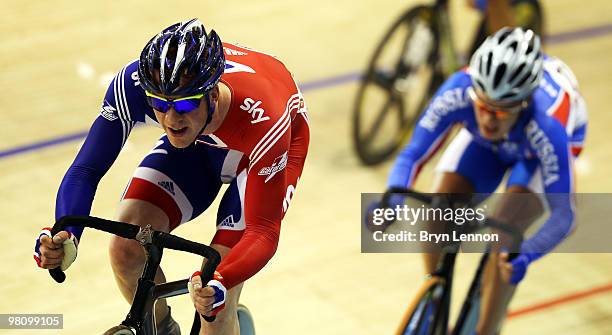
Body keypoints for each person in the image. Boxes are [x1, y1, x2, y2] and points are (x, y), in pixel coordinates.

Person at [34, 18, 310, 335]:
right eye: (159, 105)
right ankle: (162, 329)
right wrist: (66, 234)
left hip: (260, 151)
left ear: (213, 95)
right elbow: (86, 170)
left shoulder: (263, 119)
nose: (171, 117)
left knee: (214, 304)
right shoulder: (134, 85)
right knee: (125, 247)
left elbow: (263, 231)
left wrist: (221, 283)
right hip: (199, 144)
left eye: (184, 103)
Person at [366, 27, 587, 334]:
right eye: (482, 107)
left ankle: (487, 329)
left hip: (533, 154)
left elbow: (565, 215)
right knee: (438, 210)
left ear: (522, 104)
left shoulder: (547, 126)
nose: (487, 119)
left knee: (504, 240)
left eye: (500, 111)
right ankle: (435, 294)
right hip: (488, 147)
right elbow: (412, 154)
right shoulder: (458, 90)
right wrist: (393, 200)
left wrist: (526, 256)